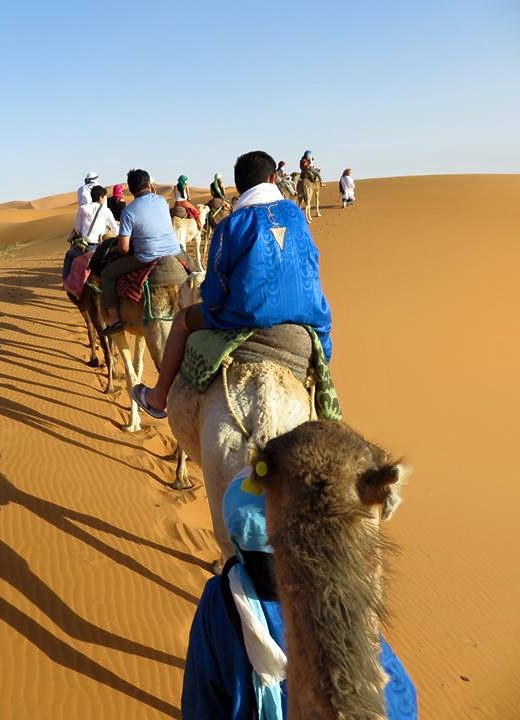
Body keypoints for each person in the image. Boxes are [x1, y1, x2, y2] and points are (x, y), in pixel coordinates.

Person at [180, 470, 419, 719]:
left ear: (236, 540)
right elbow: (399, 698)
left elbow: (201, 699)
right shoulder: (343, 600)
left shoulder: (221, 597)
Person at [131, 150, 332, 418]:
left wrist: (213, 301)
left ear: (237, 186)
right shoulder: (296, 215)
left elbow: (215, 292)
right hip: (309, 313)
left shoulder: (230, 225)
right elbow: (312, 263)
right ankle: (324, 396)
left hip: (245, 314)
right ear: (273, 178)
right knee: (320, 347)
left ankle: (157, 398)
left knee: (180, 322)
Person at [100, 169, 184, 335]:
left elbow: (123, 248)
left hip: (146, 257)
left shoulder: (129, 211)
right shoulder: (162, 201)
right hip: (175, 251)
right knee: (197, 271)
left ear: (131, 191)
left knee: (107, 275)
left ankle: (115, 320)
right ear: (149, 185)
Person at [63, 185, 118, 280]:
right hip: (99, 248)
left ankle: (65, 281)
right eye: (105, 196)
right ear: (101, 197)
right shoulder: (106, 211)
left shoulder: (83, 208)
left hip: (84, 247)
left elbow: (77, 228)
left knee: (69, 256)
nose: (105, 198)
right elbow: (116, 230)